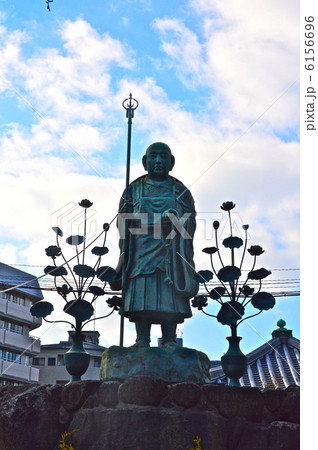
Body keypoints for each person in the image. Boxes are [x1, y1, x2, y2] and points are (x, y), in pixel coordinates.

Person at [110, 142, 198, 347]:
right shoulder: (133, 190)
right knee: (142, 288)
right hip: (140, 251)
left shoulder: (180, 191)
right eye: (153, 156)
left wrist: (176, 220)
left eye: (163, 156)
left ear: (171, 162)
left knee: (170, 294)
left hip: (171, 253)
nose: (158, 161)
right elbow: (122, 219)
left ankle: (170, 338)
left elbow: (190, 221)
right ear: (144, 161)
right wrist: (144, 223)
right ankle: (142, 338)